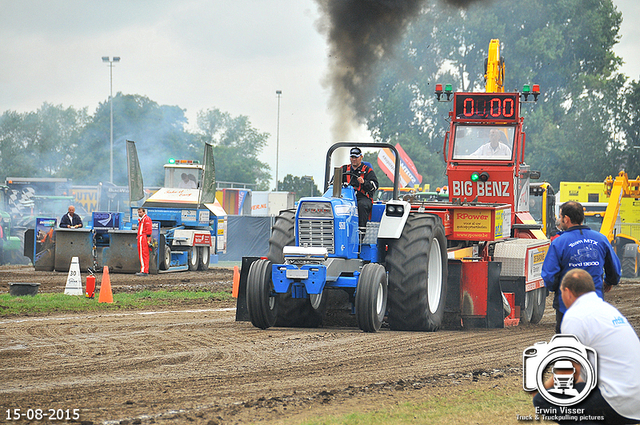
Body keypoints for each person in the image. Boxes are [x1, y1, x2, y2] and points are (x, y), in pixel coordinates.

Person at [532, 268, 640, 424]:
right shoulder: (607, 311)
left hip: (618, 400)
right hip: (635, 400)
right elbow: (584, 374)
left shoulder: (575, 316)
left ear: (568, 292)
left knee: (544, 402)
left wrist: (541, 390)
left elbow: (569, 372)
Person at [541, 201, 621, 333]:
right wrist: (609, 281)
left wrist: (558, 289)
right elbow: (615, 269)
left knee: (567, 346)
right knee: (593, 343)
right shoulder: (601, 239)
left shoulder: (559, 243)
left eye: (560, 217)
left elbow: (549, 276)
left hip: (566, 306)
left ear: (566, 219)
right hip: (595, 304)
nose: (559, 220)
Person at [341, 147, 378, 228]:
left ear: (361, 157)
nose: (354, 159)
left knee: (362, 205)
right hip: (345, 196)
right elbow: (333, 182)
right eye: (352, 157)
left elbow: (374, 186)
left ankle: (361, 231)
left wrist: (364, 182)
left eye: (356, 157)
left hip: (362, 197)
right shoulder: (343, 169)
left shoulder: (368, 171)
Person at [136, 207, 153, 276]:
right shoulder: (143, 219)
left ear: (144, 212)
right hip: (142, 237)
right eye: (138, 212)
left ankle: (144, 270)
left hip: (143, 237)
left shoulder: (146, 219)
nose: (139, 214)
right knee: (143, 254)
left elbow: (149, 229)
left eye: (140, 212)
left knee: (143, 254)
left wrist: (148, 239)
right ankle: (144, 270)